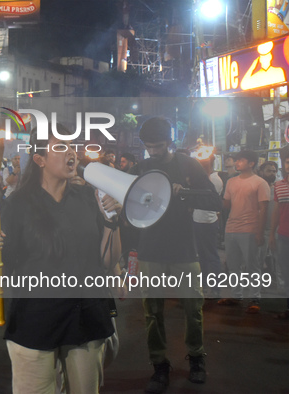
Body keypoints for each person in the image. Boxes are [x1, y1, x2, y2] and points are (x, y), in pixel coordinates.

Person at [0, 123, 124, 394]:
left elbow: (107, 260)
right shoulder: (16, 205)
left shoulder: (89, 199)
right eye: (60, 147)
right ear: (39, 159)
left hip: (86, 319)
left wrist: (111, 222)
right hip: (34, 321)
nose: (71, 153)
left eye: (72, 146)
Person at [130, 117, 222, 393]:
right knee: (152, 312)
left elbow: (214, 201)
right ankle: (159, 365)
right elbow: (128, 206)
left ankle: (196, 359)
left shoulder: (187, 165)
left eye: (158, 146)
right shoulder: (142, 168)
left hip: (184, 248)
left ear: (170, 143)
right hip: (150, 249)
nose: (153, 151)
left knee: (194, 309)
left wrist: (185, 194)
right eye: (148, 146)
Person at [219, 150, 271, 313]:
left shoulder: (260, 182)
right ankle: (237, 295)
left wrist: (259, 232)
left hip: (250, 228)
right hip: (231, 227)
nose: (237, 163)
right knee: (233, 265)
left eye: (241, 160)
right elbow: (226, 204)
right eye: (237, 160)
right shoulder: (231, 181)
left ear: (251, 163)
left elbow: (264, 209)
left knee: (252, 265)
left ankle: (255, 296)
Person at [193, 154, 224, 299]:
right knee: (201, 256)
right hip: (197, 220)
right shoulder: (201, 178)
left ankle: (216, 288)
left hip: (209, 222)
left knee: (212, 255)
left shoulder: (214, 179)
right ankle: (204, 286)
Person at [270, 151, 289, 319]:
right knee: (286, 270)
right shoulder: (279, 185)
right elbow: (276, 211)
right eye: (287, 161)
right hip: (283, 235)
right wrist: (271, 235)